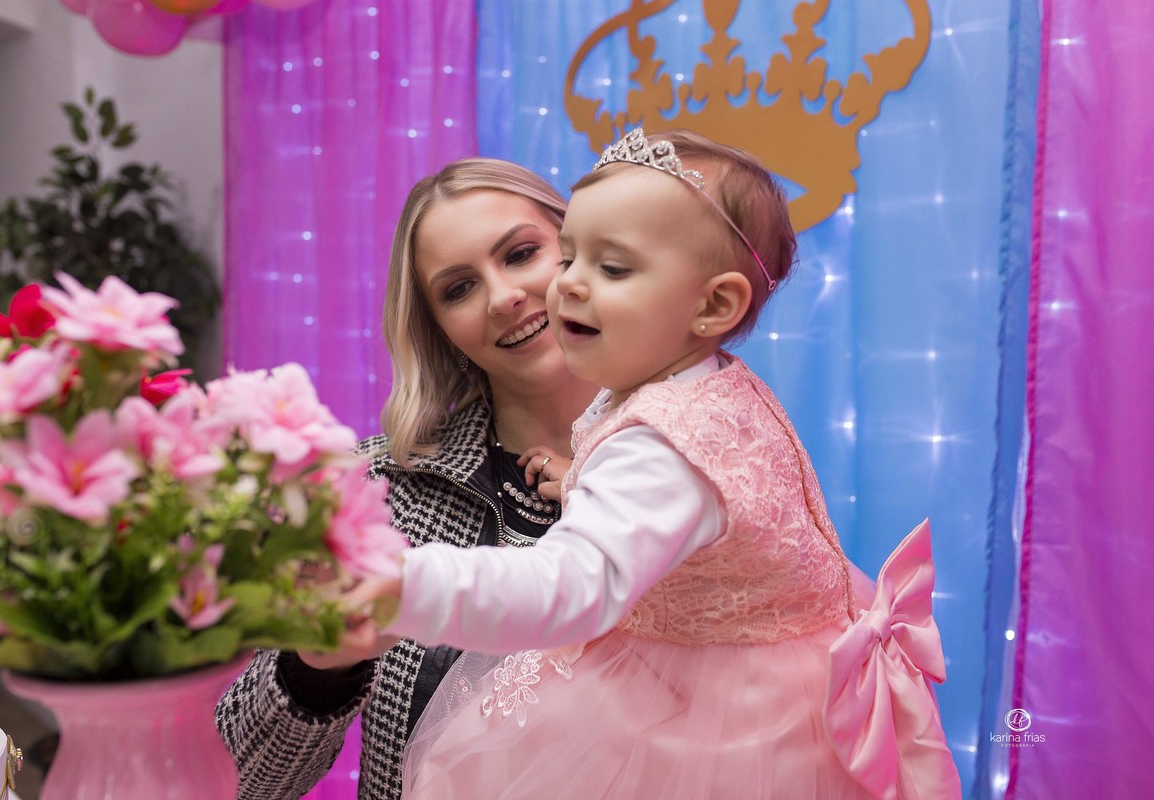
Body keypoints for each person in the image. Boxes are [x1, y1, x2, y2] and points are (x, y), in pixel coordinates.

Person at [350, 129, 963, 799]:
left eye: (611, 268)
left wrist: (404, 583)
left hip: (725, 730)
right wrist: (585, 477)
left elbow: (568, 587)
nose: (567, 285)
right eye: (572, 257)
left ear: (713, 304)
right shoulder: (707, 385)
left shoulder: (659, 447)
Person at [214, 159, 599, 800]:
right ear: (440, 330)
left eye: (521, 253)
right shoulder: (378, 490)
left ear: (582, 248)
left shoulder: (700, 461)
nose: (502, 296)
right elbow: (242, 782)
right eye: (459, 289)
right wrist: (318, 667)